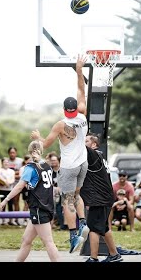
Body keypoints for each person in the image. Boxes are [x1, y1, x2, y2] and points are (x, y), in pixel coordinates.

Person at [30, 54, 89, 253]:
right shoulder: (83, 113)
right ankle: (83, 223)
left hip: (69, 167)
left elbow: (44, 146)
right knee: (77, 195)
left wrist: (37, 136)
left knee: (66, 201)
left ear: (64, 109)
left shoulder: (60, 125)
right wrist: (79, 70)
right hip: (83, 164)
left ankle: (74, 234)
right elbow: (82, 90)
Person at [0, 141, 59, 262]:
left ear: (30, 151)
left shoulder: (31, 168)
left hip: (38, 208)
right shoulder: (46, 165)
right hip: (46, 206)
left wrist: (6, 199)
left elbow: (19, 186)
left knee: (48, 242)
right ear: (41, 151)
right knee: (26, 240)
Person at [80, 133, 123, 262]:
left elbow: (78, 147)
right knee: (103, 228)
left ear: (94, 145)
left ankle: (93, 258)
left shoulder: (93, 154)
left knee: (93, 228)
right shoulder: (99, 156)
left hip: (100, 199)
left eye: (86, 141)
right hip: (103, 197)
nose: (84, 143)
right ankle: (114, 255)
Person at [0, 157, 16, 225]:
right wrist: (5, 182)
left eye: (7, 162)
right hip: (2, 190)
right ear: (2, 163)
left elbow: (13, 180)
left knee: (10, 205)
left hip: (10, 190)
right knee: (3, 205)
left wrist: (9, 183)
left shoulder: (12, 171)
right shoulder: (0, 170)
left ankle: (11, 220)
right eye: (4, 162)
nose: (6, 163)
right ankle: (3, 220)